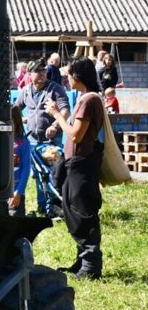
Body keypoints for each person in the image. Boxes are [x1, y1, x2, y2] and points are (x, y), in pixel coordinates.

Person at [46, 56, 105, 280]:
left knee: (83, 212)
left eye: (69, 74)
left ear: (78, 76)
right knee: (73, 210)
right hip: (76, 165)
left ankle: (91, 266)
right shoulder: (85, 98)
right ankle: (82, 260)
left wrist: (57, 115)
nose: (67, 78)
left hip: (82, 165)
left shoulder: (89, 100)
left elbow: (75, 135)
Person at [16, 58, 70, 217]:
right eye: (38, 71)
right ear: (29, 74)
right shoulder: (26, 91)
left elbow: (65, 111)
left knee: (52, 175)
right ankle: (42, 206)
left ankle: (55, 207)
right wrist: (21, 119)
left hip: (50, 142)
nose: (42, 73)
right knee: (38, 175)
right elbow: (15, 109)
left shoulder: (55, 89)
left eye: (43, 70)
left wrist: (55, 126)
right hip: (32, 141)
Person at [9, 105, 32, 216]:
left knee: (16, 223)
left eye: (10, 122)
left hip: (16, 193)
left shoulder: (23, 142)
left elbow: (26, 168)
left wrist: (19, 192)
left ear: (17, 122)